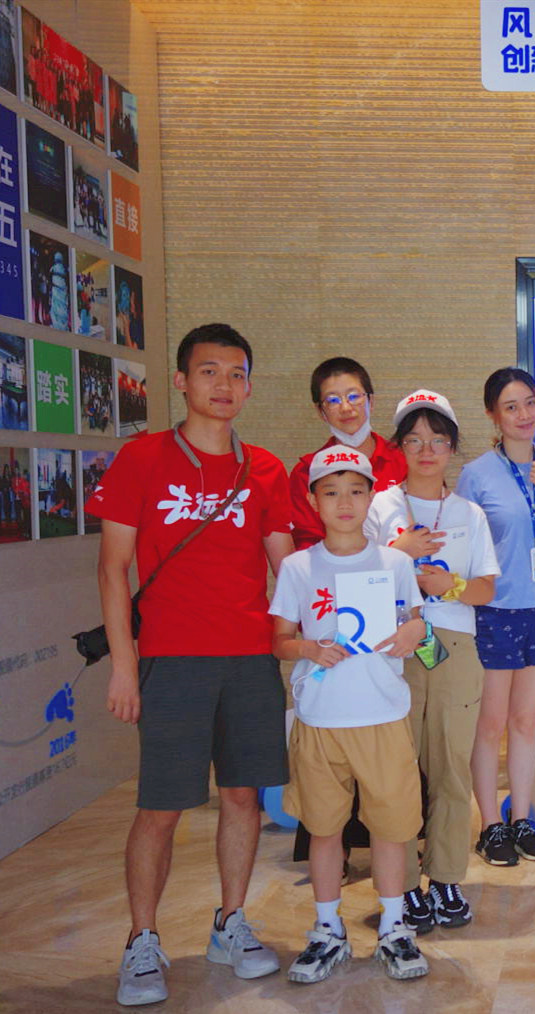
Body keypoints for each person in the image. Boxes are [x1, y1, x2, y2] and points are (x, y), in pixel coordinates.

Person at [87, 323, 294, 1007]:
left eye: (236, 374)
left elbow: (290, 570)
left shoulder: (264, 469)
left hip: (250, 659)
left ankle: (231, 923)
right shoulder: (141, 459)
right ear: (181, 381)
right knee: (162, 807)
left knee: (242, 798)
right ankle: (142, 939)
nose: (223, 385)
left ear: (249, 386)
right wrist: (125, 665)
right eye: (209, 372)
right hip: (171, 660)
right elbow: (113, 570)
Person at [271, 446, 430, 983]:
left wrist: (416, 630)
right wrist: (308, 649)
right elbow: (280, 640)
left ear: (371, 498)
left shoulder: (395, 563)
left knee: (391, 828)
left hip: (383, 715)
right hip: (321, 719)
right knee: (323, 830)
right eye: (332, 492)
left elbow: (416, 624)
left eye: (357, 491)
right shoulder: (298, 566)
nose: (345, 503)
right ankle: (327, 930)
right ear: (313, 500)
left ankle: (393, 926)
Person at [365, 390, 499, 931]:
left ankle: (444, 878)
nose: (426, 451)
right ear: (399, 446)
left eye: (438, 441)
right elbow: (355, 576)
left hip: (455, 646)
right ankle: (401, 886)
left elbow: (487, 589)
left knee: (450, 768)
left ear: (451, 448)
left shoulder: (469, 512)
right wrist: (399, 553)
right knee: (396, 771)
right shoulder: (379, 506)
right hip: (395, 646)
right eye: (415, 440)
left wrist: (452, 585)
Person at [456, 367, 535, 866]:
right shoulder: (476, 475)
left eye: (530, 402)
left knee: (526, 721)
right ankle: (491, 825)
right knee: (490, 725)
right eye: (511, 406)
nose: (524, 414)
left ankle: (521, 818)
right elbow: (465, 550)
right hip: (495, 611)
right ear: (494, 415)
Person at [288, 357, 407, 551]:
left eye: (354, 396)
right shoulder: (306, 472)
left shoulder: (404, 459)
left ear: (371, 401)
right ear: (320, 411)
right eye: (333, 400)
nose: (345, 408)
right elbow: (307, 546)